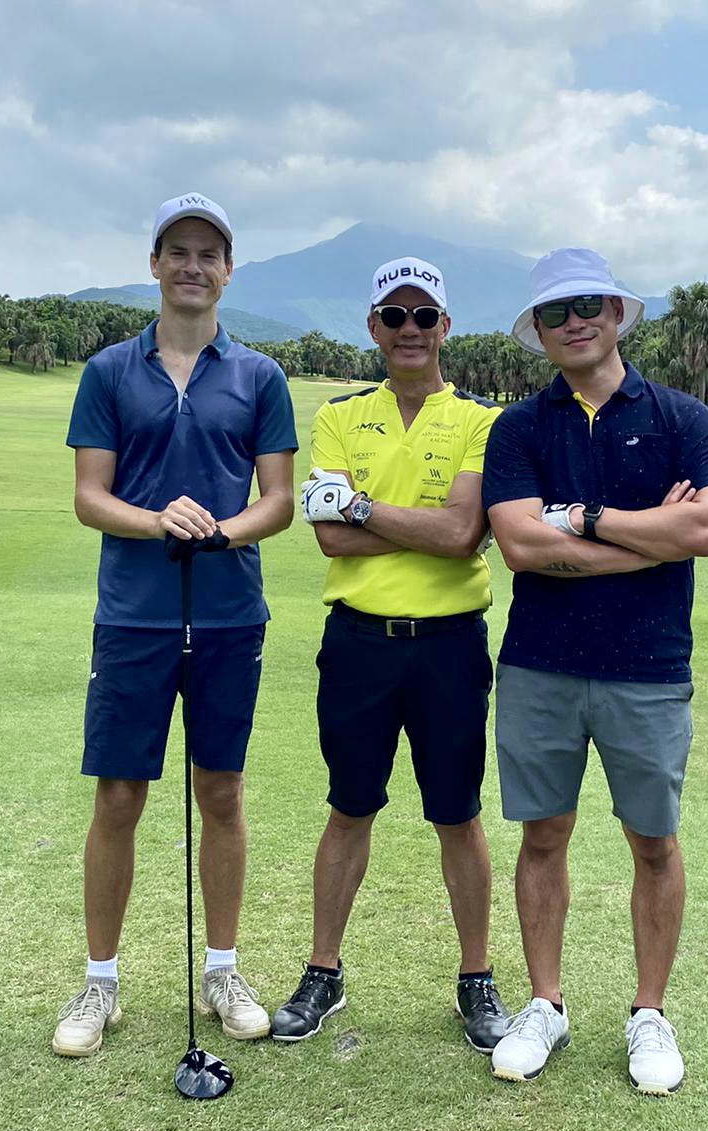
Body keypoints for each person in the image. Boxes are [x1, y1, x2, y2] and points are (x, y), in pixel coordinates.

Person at [480, 247, 708, 1094]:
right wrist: (646, 538)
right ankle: (545, 1004)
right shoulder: (520, 428)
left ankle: (649, 1012)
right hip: (540, 665)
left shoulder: (682, 419)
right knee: (542, 834)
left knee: (653, 843)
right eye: (555, 312)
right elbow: (521, 545)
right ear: (540, 331)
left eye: (589, 304)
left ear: (617, 312)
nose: (575, 322)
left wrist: (585, 520)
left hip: (648, 667)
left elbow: (703, 531)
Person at [53, 192, 297, 1057]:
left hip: (230, 613)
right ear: (155, 264)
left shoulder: (260, 377)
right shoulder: (109, 372)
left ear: (228, 271)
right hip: (135, 616)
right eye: (178, 251)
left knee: (221, 791)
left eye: (209, 253)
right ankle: (100, 982)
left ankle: (222, 971)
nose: (193, 266)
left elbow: (278, 501)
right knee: (119, 794)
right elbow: (90, 497)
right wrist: (159, 519)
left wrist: (222, 530)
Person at [271, 256, 510, 1053]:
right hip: (359, 643)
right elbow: (328, 536)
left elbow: (462, 534)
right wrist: (417, 525)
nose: (411, 329)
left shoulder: (478, 420)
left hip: (449, 646)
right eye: (395, 316)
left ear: (446, 326)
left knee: (458, 814)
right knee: (349, 807)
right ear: (374, 326)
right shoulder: (341, 416)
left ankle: (476, 979)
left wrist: (364, 506)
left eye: (424, 316)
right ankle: (324, 972)